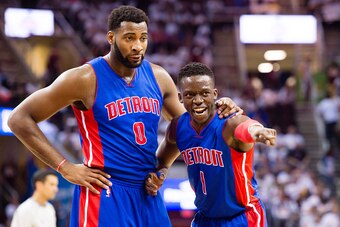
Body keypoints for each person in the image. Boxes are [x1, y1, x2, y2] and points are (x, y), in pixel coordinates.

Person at [7, 6, 241, 226]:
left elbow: (187, 129)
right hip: (105, 190)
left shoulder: (158, 77)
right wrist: (64, 167)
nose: (138, 45)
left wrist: (162, 167)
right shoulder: (83, 79)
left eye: (143, 38)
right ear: (111, 38)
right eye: (129, 38)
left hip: (148, 192)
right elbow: (19, 119)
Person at [145, 62, 276, 227]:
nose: (198, 100)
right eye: (190, 95)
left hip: (242, 217)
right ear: (180, 98)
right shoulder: (178, 127)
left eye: (204, 93)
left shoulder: (229, 122)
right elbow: (162, 162)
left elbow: (245, 127)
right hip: (204, 219)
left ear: (214, 94)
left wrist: (258, 131)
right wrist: (159, 175)